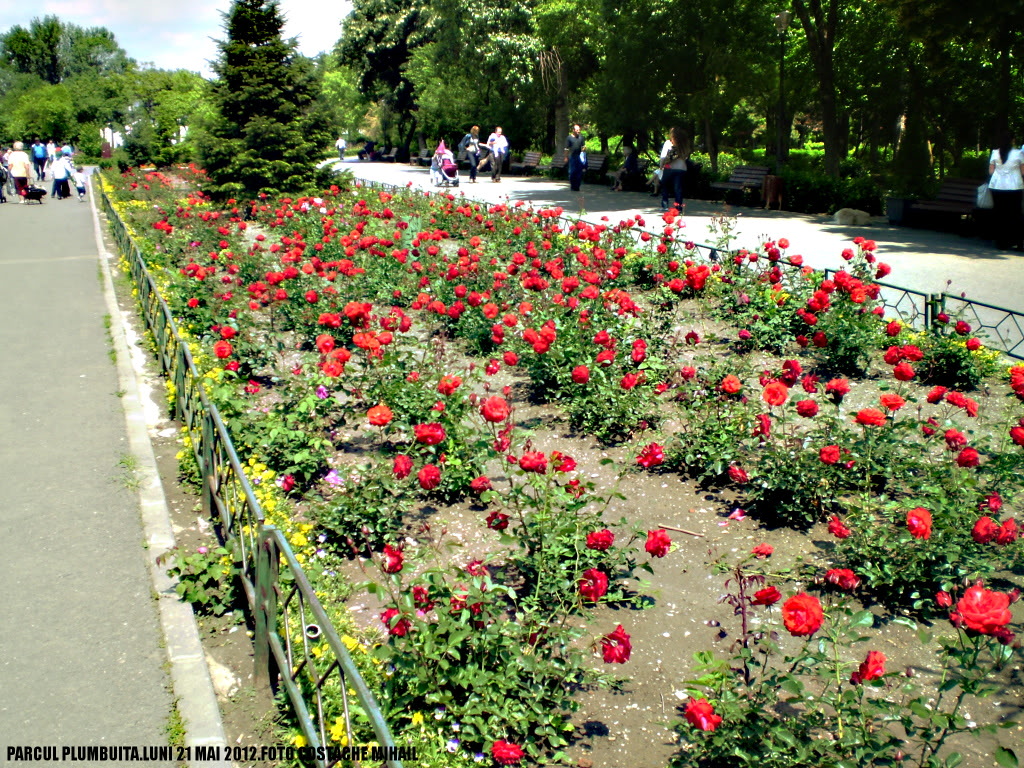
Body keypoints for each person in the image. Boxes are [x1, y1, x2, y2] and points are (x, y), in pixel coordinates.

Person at [988, 132, 1024, 250]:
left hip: (997, 186)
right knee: (1014, 213)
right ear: (1012, 141)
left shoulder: (994, 153)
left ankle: (1001, 242)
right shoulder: (1019, 153)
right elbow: (1023, 172)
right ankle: (1016, 241)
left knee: (999, 213)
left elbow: (991, 171)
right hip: (1015, 186)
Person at [659, 126, 691, 211]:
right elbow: (686, 157)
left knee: (665, 186)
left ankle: (665, 204)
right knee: (678, 189)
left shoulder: (668, 143)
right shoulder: (685, 144)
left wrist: (661, 166)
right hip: (681, 168)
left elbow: (663, 156)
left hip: (669, 168)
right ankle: (678, 207)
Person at [564, 123, 587, 192]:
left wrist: (583, 154)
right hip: (572, 157)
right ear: (573, 130)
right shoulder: (569, 138)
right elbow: (566, 148)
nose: (578, 131)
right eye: (577, 130)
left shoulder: (581, 138)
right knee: (572, 172)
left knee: (579, 172)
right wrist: (565, 157)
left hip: (579, 157)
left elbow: (583, 147)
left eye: (579, 130)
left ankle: (577, 186)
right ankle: (573, 185)